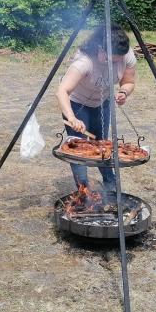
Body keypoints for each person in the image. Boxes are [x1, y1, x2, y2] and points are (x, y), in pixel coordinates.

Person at [56, 23, 137, 195]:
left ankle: (111, 185)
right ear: (100, 48)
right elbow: (62, 90)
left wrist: (124, 92)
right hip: (77, 105)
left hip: (102, 102)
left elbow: (129, 82)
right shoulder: (84, 62)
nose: (114, 63)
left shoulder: (125, 55)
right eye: (111, 59)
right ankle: (83, 190)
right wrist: (71, 118)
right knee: (78, 150)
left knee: (102, 144)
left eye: (117, 60)